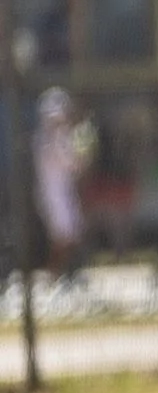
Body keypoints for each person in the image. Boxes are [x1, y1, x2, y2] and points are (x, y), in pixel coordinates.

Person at [32, 88, 90, 284]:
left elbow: (75, 165)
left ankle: (66, 273)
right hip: (52, 194)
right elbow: (69, 162)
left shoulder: (63, 135)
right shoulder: (44, 138)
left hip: (65, 192)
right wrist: (80, 159)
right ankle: (53, 274)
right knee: (63, 236)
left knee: (73, 233)